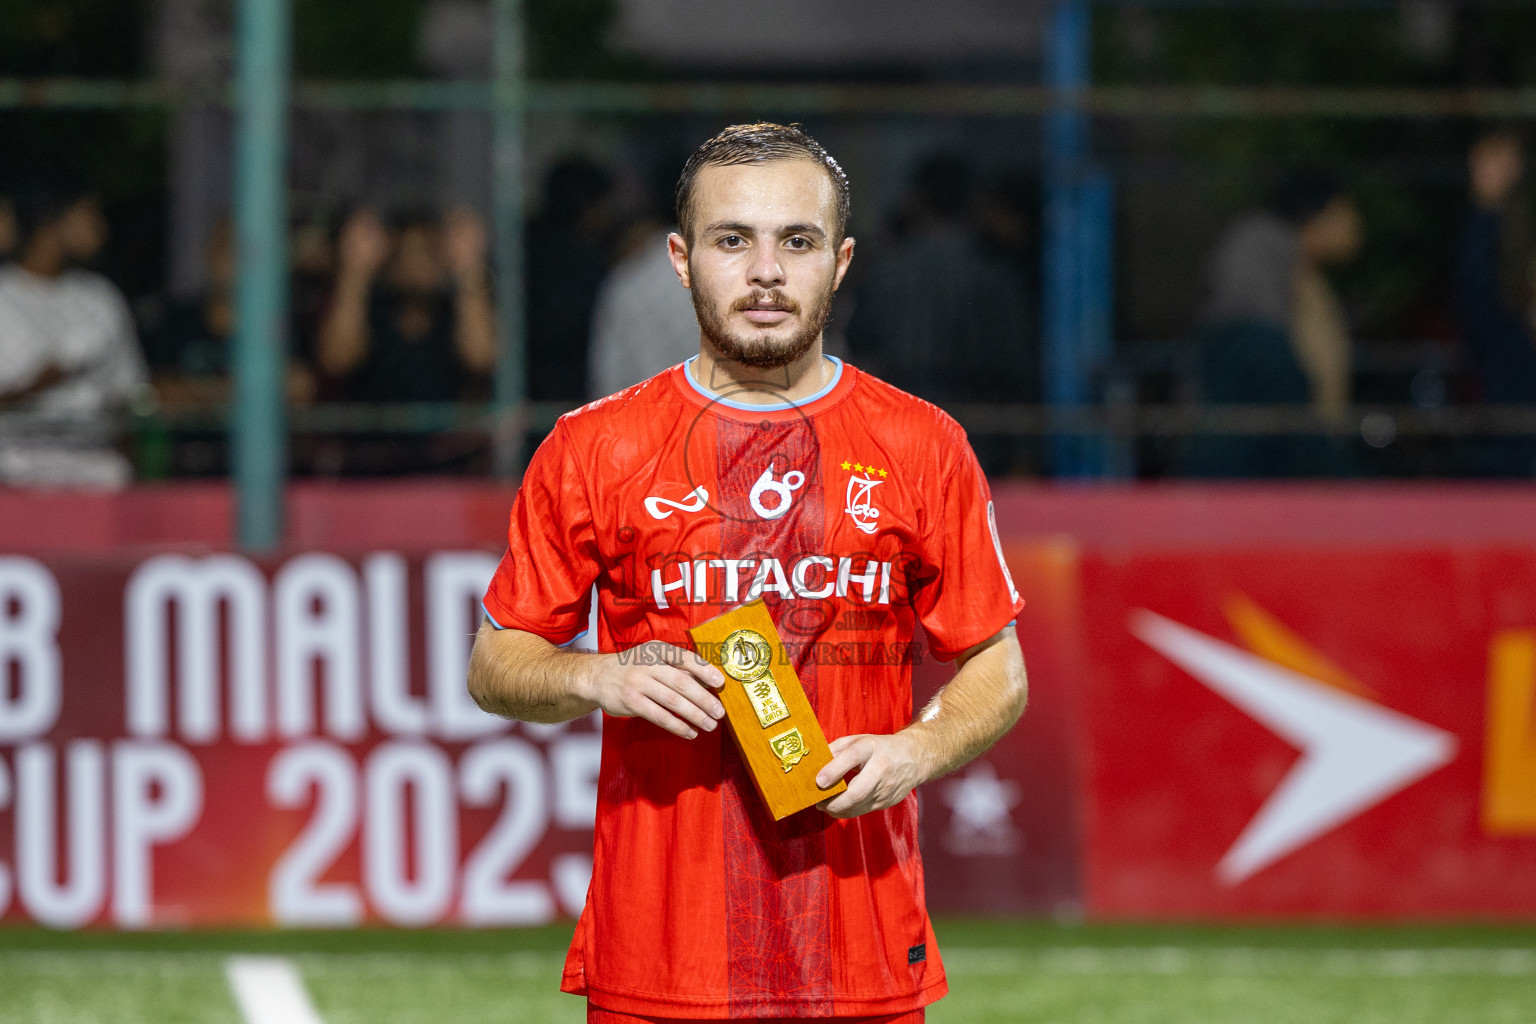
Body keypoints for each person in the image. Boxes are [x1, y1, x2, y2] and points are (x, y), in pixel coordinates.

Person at [467, 123, 1028, 1024]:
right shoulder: (593, 447)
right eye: (734, 240)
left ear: (840, 262)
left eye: (796, 242)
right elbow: (496, 665)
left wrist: (915, 748)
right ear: (683, 260)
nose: (766, 270)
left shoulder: (925, 446)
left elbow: (998, 665)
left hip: (863, 957)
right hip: (660, 965)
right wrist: (596, 675)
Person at [1186, 170, 1362, 477]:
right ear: (1321, 214)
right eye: (1347, 213)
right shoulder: (1261, 255)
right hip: (1251, 469)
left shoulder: (1292, 267)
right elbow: (1273, 369)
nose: (1356, 227)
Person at [0, 187, 149, 487]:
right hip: (13, 461)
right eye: (88, 216)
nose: (100, 229)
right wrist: (48, 376)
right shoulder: (5, 293)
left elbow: (128, 395)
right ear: (50, 225)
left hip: (95, 462)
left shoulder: (101, 297)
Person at [317, 205, 496, 402]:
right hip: (374, 430)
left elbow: (481, 358)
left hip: (448, 431)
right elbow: (337, 361)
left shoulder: (456, 308)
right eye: (404, 253)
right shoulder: (371, 308)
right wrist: (355, 270)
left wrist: (468, 266)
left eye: (427, 252)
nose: (415, 264)